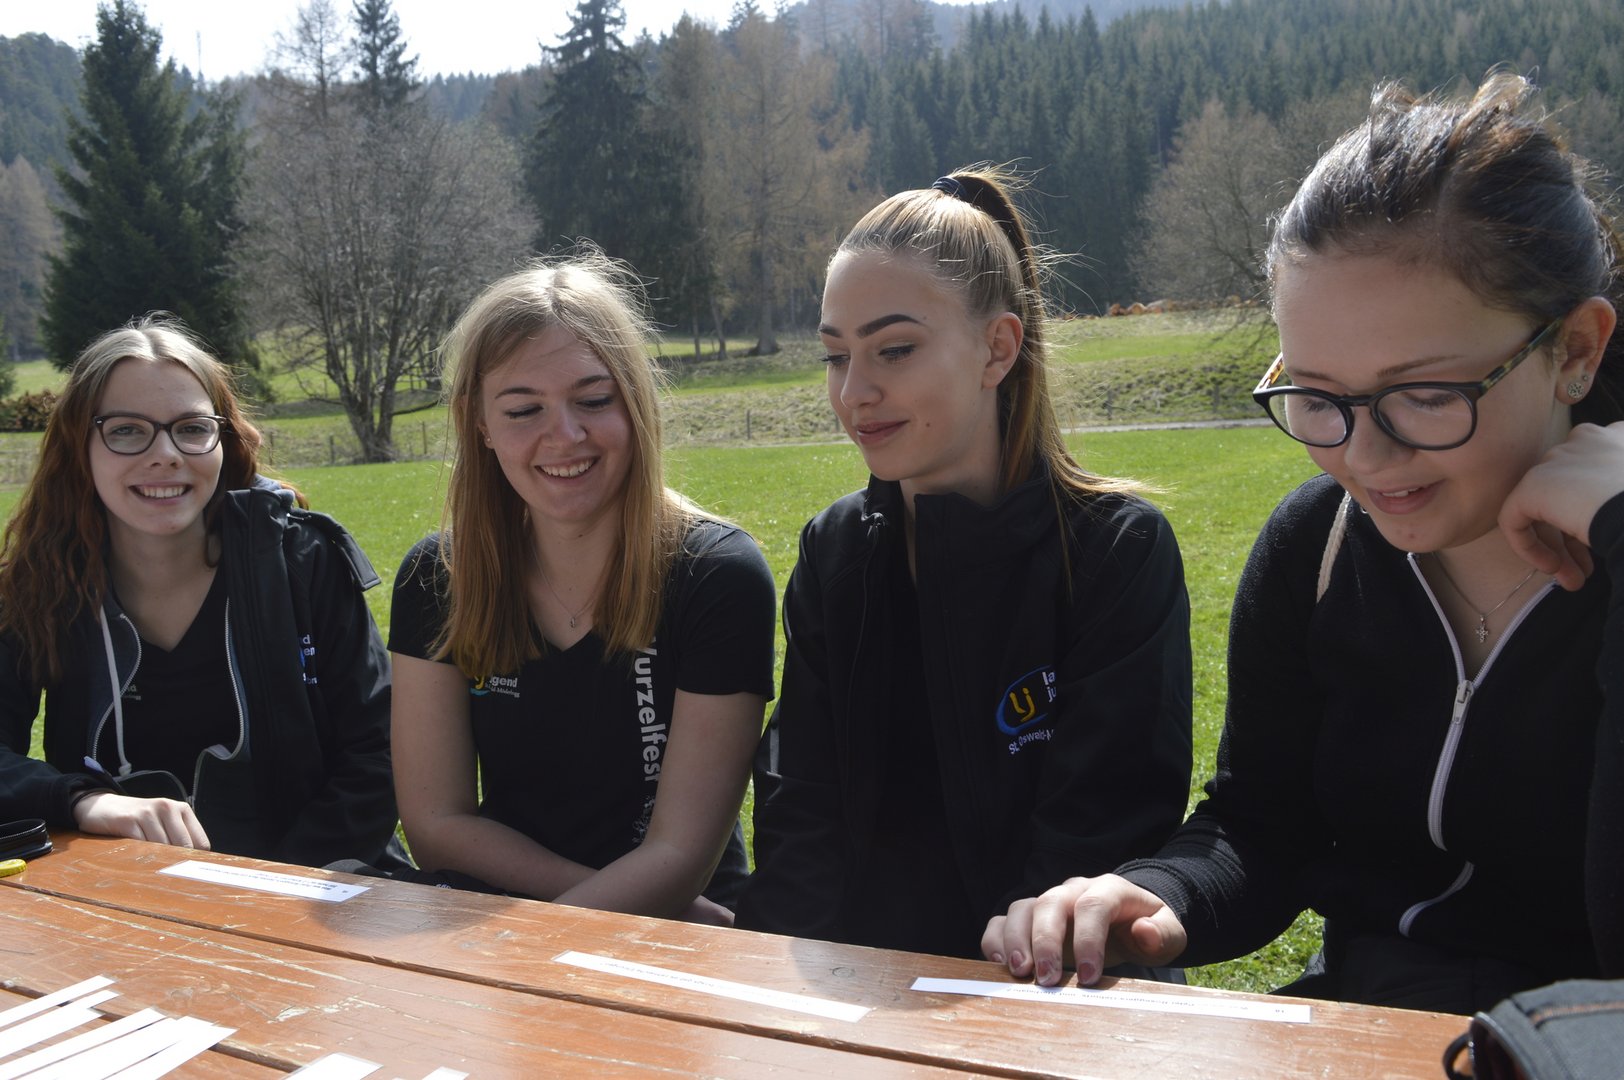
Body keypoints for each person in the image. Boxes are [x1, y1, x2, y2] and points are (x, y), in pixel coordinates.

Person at [983, 73, 1624, 1014]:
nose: (1364, 457)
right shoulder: (1315, 550)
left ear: (1576, 349)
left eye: (1426, 394)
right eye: (1318, 397)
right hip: (1370, 1027)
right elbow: (1263, 823)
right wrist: (1160, 896)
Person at [736, 167, 1193, 960]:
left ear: (997, 348)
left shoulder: (1115, 552)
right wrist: (778, 989)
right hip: (857, 989)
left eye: (894, 350)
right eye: (837, 356)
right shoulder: (836, 552)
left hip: (1049, 988)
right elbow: (801, 814)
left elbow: (1097, 839)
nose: (854, 392)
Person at [388, 252, 775, 922]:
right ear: (479, 424)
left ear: (636, 403)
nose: (564, 436)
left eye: (594, 401)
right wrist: (547, 936)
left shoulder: (717, 576)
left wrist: (567, 934)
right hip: (516, 927)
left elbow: (679, 853)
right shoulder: (437, 579)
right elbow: (436, 824)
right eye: (522, 409)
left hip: (675, 936)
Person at [0, 314, 398, 868]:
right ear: (77, 447)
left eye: (190, 428)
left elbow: (379, 754)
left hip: (319, 880)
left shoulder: (305, 562)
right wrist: (82, 800)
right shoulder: (41, 581)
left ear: (223, 441)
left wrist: (271, 889)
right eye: (126, 430)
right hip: (123, 885)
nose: (166, 454)